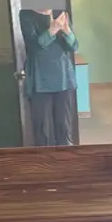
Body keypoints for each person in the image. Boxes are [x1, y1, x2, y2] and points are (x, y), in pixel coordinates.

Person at [18, 8, 78, 146]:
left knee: (64, 128)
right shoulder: (27, 15)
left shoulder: (60, 13)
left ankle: (65, 160)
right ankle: (44, 163)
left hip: (64, 80)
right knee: (42, 131)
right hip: (40, 82)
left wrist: (67, 30)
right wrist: (52, 30)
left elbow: (74, 46)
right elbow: (34, 47)